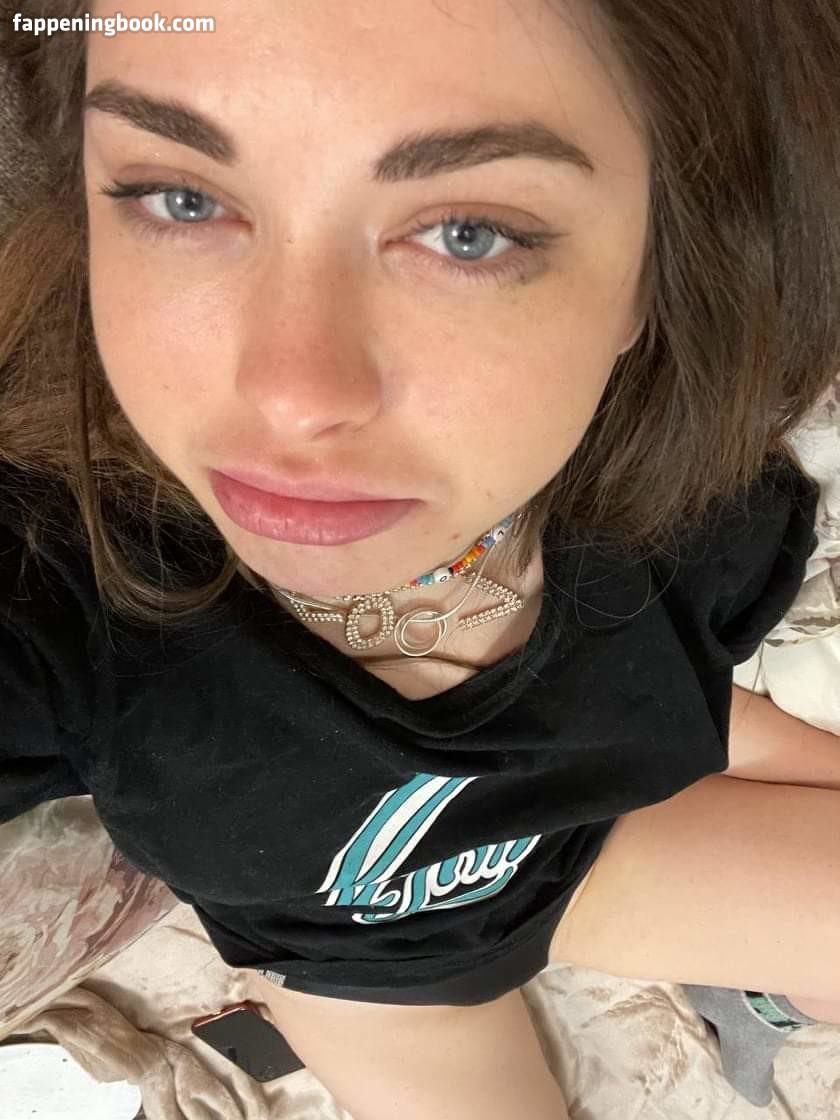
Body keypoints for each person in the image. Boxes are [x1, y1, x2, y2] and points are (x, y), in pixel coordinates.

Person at [0, 1, 838, 1116]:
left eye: (468, 232)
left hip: (587, 827)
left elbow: (671, 693)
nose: (293, 396)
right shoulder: (50, 571)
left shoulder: (697, 516)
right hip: (380, 968)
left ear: (655, 271)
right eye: (181, 198)